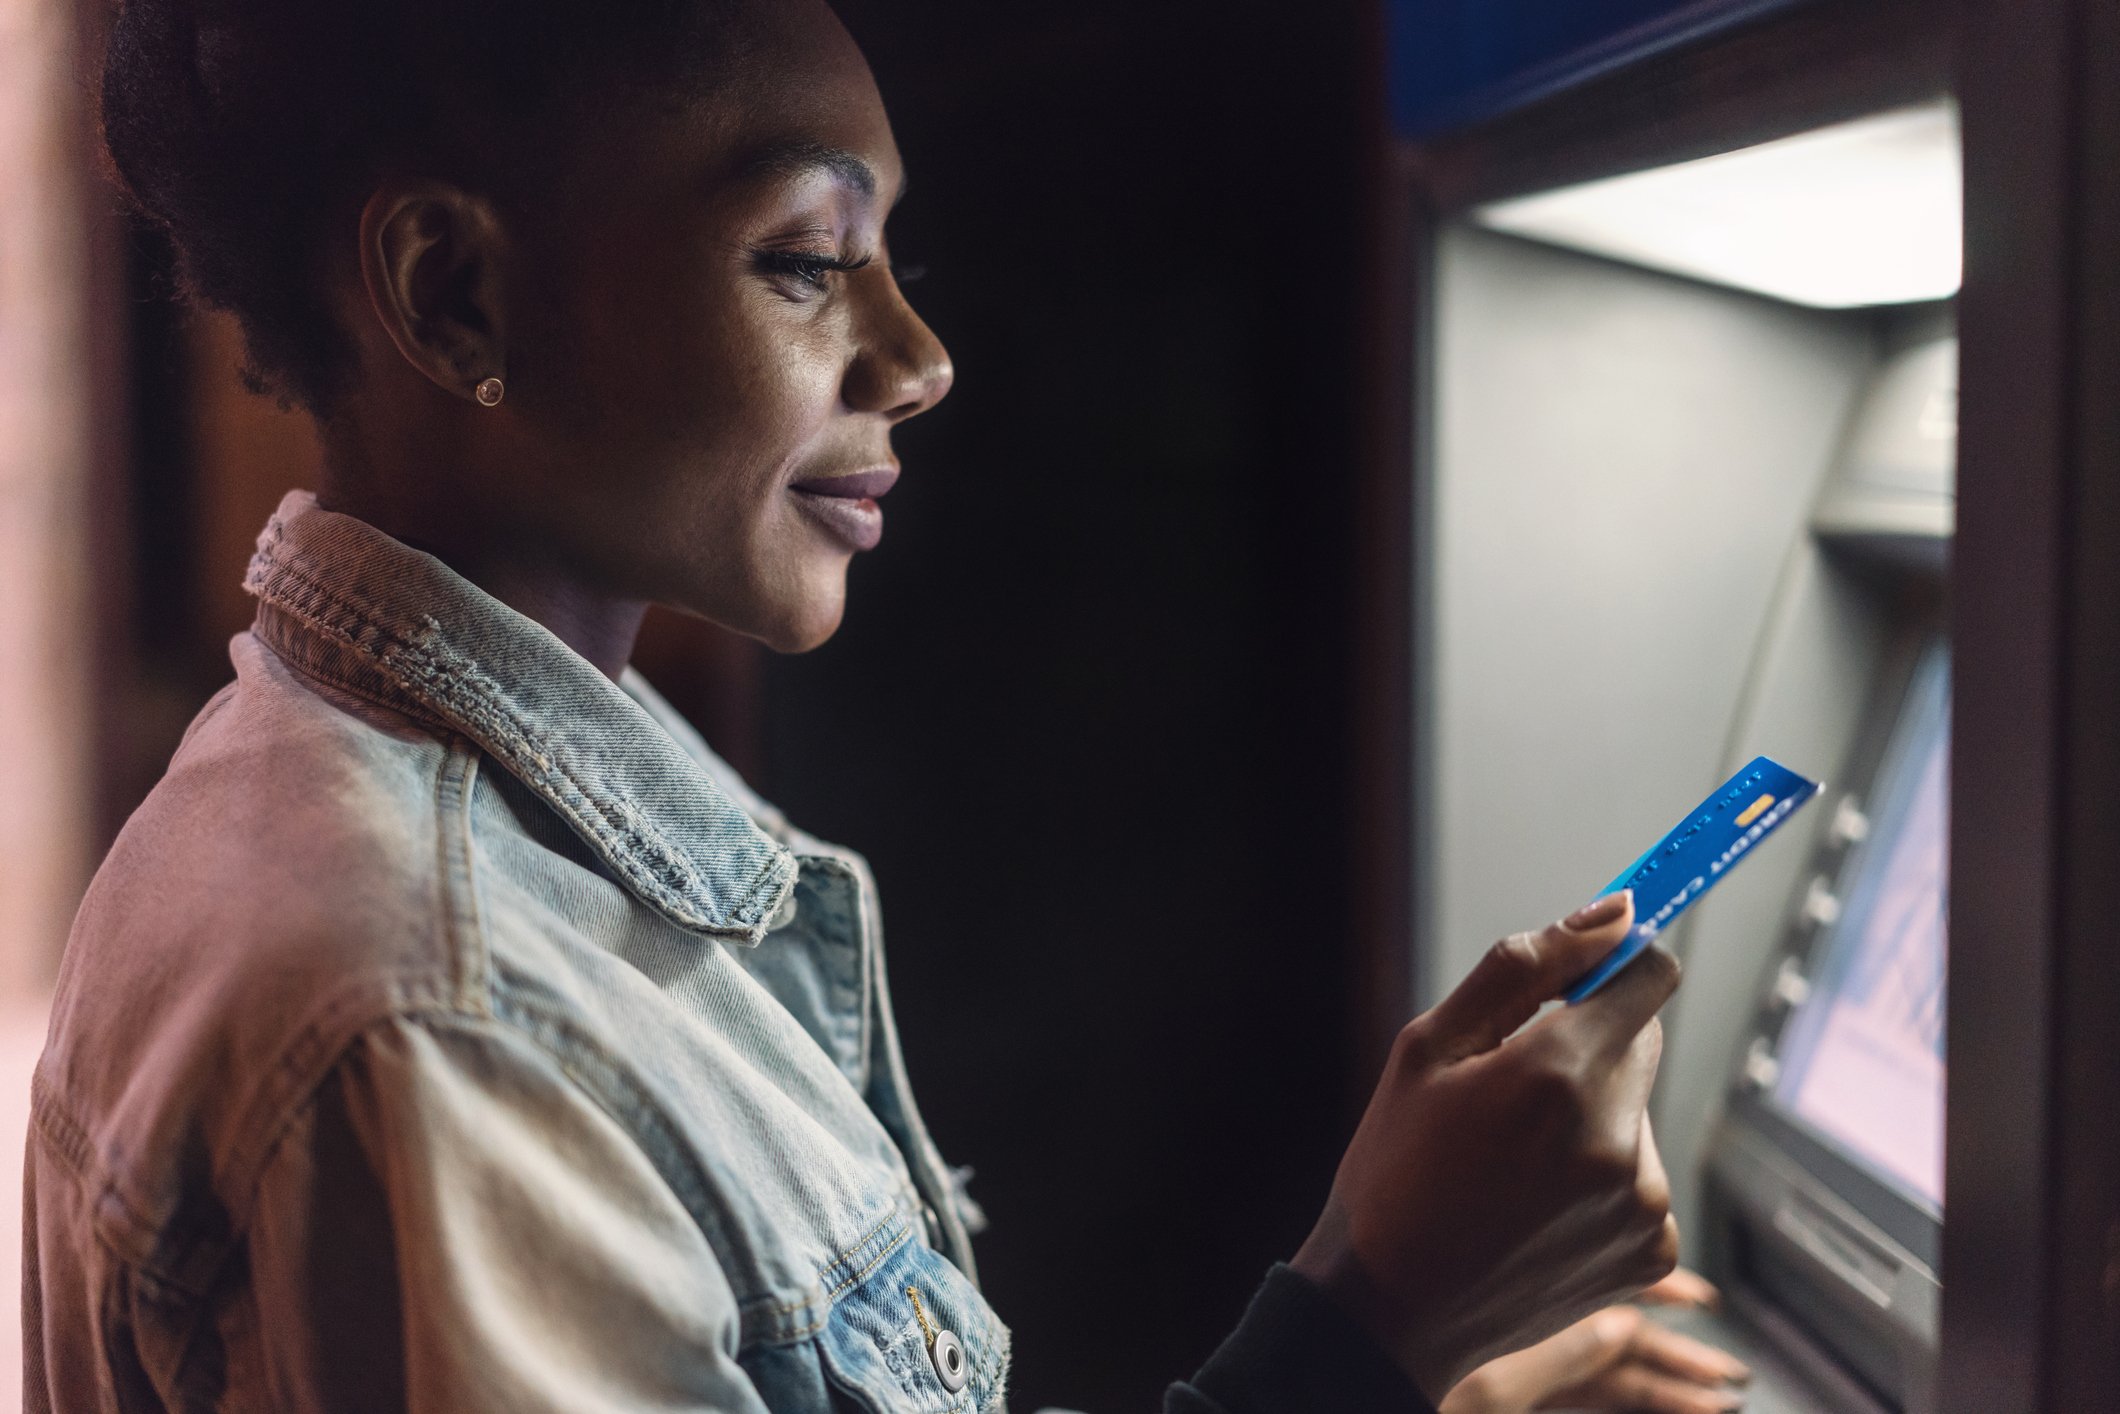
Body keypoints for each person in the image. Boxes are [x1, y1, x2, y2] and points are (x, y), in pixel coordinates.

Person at [26, 1, 1749, 1409]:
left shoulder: (353, 807)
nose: (914, 355)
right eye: (803, 258)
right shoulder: (442, 1011)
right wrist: (1371, 1319)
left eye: (888, 254)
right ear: (453, 290)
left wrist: (1417, 1383)